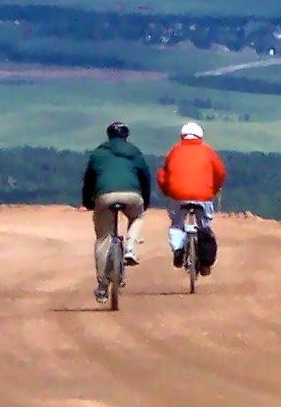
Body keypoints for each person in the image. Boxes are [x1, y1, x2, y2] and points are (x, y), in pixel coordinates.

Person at [79, 120, 152, 304]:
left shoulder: (98, 153)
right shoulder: (135, 152)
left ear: (108, 135)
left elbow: (89, 180)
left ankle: (102, 286)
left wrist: (88, 202)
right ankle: (130, 247)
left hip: (104, 196)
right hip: (132, 195)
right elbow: (145, 178)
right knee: (137, 216)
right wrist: (145, 200)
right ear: (126, 136)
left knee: (103, 238)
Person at [157, 120, 228, 270]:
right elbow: (220, 173)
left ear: (182, 136)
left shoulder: (174, 151)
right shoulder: (208, 151)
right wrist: (213, 190)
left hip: (178, 196)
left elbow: (162, 175)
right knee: (205, 227)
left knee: (177, 224)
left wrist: (167, 191)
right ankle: (205, 263)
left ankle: (178, 249)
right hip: (203, 196)